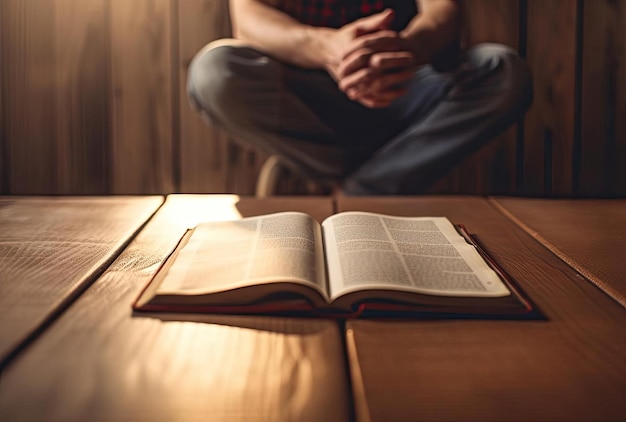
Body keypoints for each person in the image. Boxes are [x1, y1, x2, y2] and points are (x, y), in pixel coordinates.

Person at [187, 0, 532, 195]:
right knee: (214, 72)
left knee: (502, 70)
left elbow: (444, 11)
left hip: (404, 86)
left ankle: (363, 189)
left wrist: (404, 50)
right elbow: (247, 19)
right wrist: (328, 48)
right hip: (305, 95)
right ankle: (382, 174)